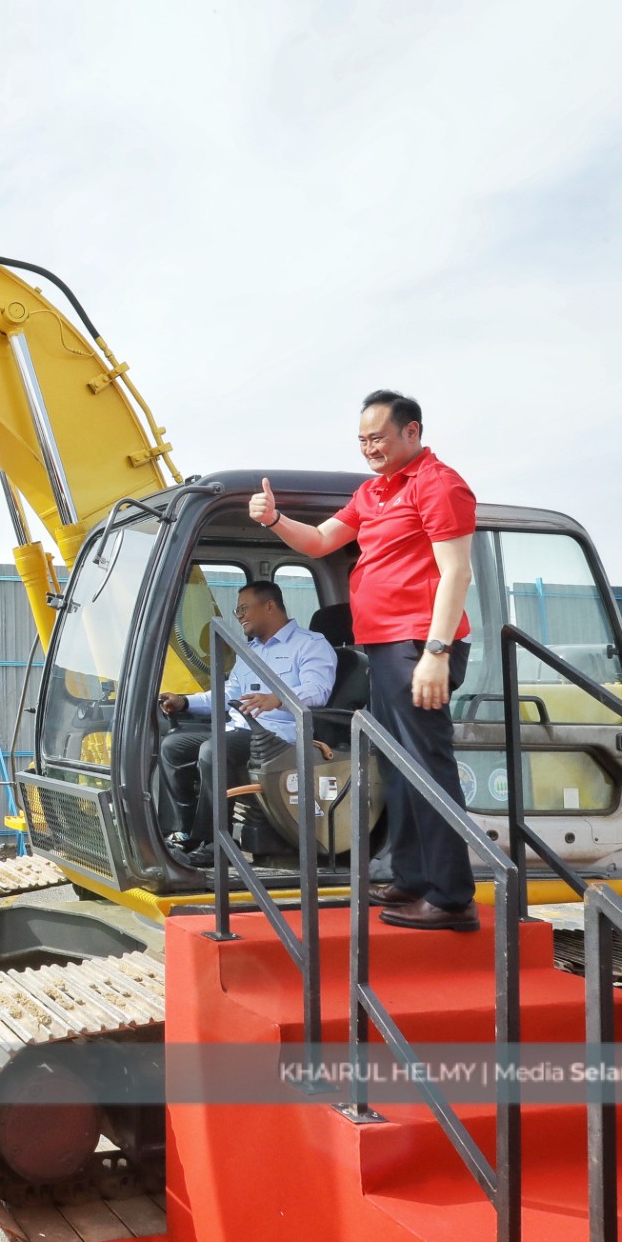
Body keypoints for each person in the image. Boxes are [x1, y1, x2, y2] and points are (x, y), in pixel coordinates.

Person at [250, 389, 479, 932]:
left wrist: (436, 653)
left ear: (412, 433)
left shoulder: (439, 485)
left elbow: (456, 573)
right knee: (399, 769)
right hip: (384, 647)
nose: (370, 448)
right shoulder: (372, 493)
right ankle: (413, 876)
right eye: (362, 440)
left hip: (419, 646)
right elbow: (320, 541)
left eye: (378, 437)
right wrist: (276, 518)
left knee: (427, 768)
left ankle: (450, 897)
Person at [158, 580, 336, 868]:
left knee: (212, 751)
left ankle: (216, 843)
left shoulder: (311, 644)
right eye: (237, 610)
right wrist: (185, 702)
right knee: (173, 746)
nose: (239, 615)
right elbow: (230, 693)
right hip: (241, 730)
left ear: (269, 606)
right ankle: (182, 832)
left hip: (279, 736)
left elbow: (318, 690)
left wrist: (277, 699)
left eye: (243, 608)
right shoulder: (250, 651)